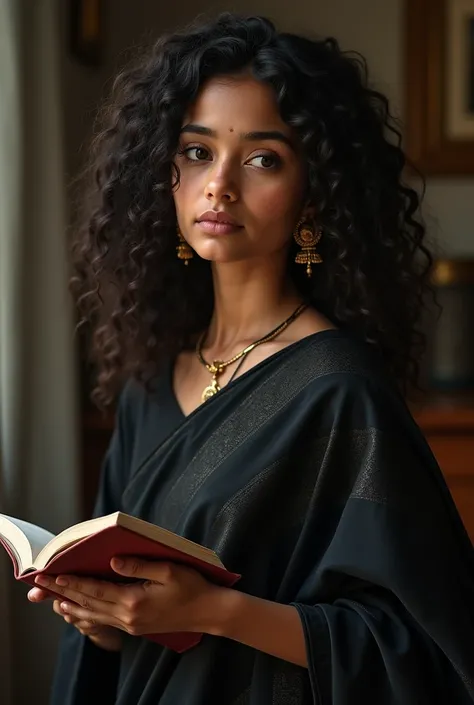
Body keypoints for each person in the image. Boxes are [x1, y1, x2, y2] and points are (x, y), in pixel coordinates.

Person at [28, 12, 474, 705]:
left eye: (263, 158)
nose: (220, 185)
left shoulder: (339, 391)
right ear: (165, 175)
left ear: (312, 192)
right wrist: (104, 619)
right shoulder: (148, 385)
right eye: (198, 151)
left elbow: (420, 647)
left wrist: (213, 610)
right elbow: (129, 617)